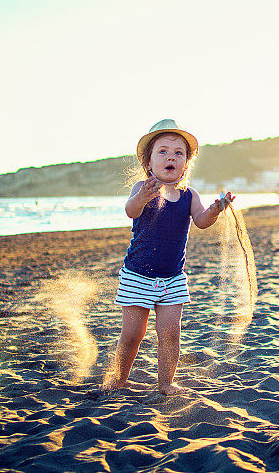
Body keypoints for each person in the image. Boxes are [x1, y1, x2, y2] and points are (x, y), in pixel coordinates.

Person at [101, 119, 234, 396]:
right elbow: (130, 211)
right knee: (132, 336)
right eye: (162, 151)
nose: (171, 156)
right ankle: (120, 377)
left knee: (171, 334)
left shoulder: (188, 195)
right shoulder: (143, 188)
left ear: (186, 164)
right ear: (149, 163)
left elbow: (201, 220)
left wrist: (216, 209)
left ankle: (165, 383)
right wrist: (142, 198)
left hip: (173, 278)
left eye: (178, 152)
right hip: (138, 274)